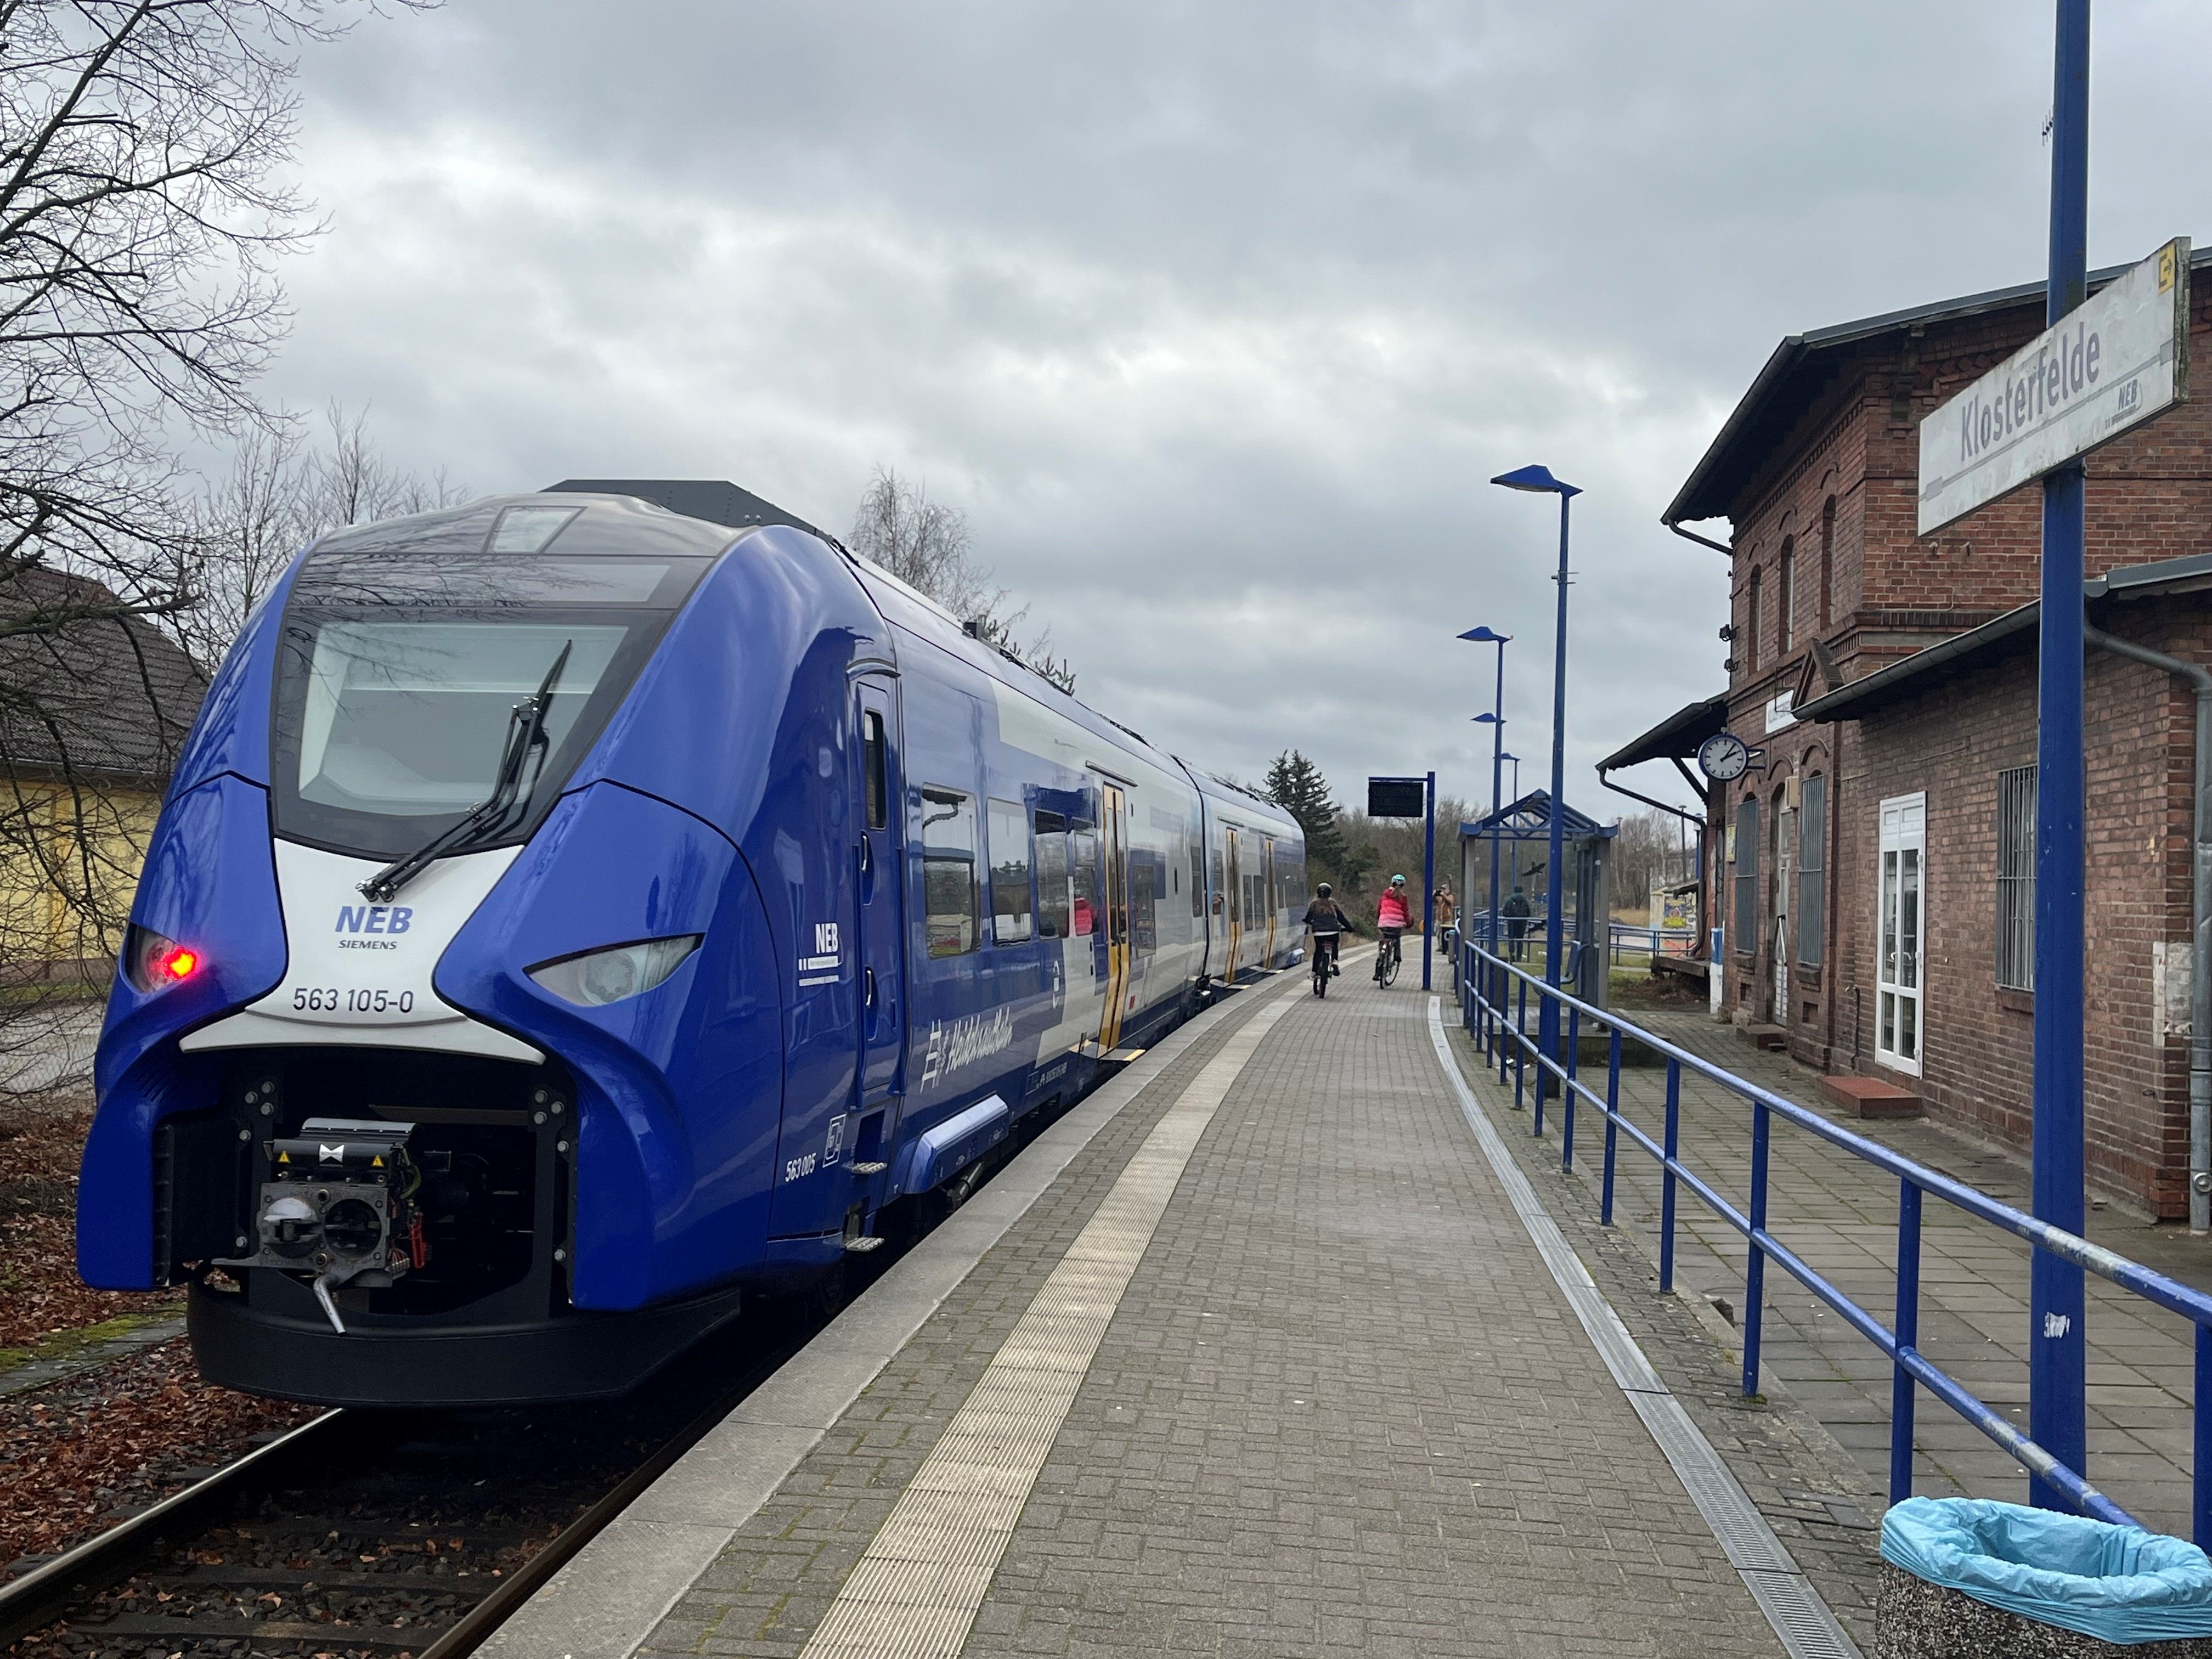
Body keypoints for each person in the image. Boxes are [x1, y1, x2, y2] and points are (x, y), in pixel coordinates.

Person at [1302, 882, 1348, 978]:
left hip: (1319, 933)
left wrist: (1309, 922)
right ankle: (1335, 962)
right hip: (1333, 931)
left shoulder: (1314, 904)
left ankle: (1314, 972)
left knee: (1318, 951)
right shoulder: (1333, 903)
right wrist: (1349, 928)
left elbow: (1308, 918)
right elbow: (1341, 918)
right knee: (1334, 946)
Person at [1376, 873, 1413, 975]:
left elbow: (1379, 910)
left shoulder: (1384, 895)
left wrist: (1380, 918)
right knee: (1397, 938)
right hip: (1396, 926)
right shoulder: (1403, 898)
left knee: (1383, 941)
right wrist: (1409, 923)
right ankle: (1397, 954)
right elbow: (1406, 913)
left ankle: (1378, 969)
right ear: (1403, 885)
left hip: (1384, 924)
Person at [1502, 883, 1532, 962]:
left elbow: (1504, 912)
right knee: (1520, 940)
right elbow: (1529, 913)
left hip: (1512, 922)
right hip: (1522, 922)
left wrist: (1509, 917)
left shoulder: (1510, 899)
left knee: (1511, 939)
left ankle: (1512, 955)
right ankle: (1519, 957)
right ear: (1522, 891)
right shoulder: (1525, 900)